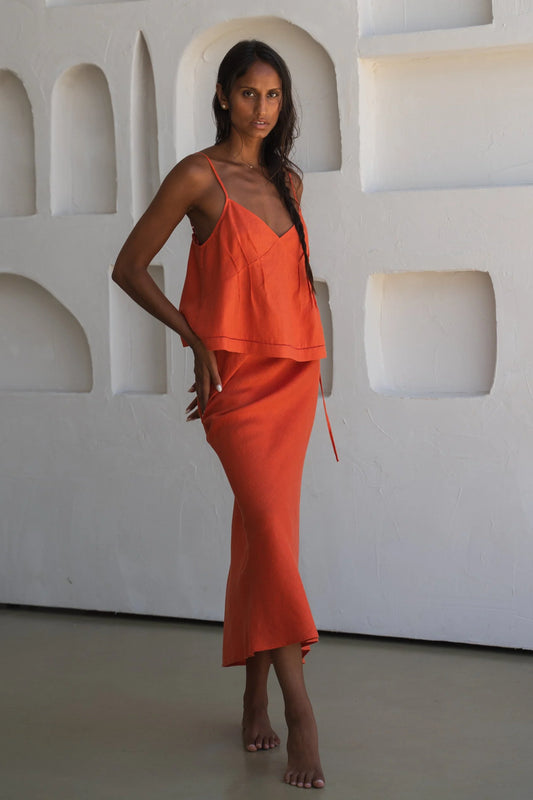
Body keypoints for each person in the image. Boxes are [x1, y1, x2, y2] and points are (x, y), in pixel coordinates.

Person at [113, 39, 329, 790]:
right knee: (270, 536)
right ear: (222, 97)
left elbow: (287, 290)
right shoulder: (197, 177)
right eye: (247, 94)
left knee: (262, 537)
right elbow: (128, 266)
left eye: (273, 95)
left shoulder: (288, 182)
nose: (260, 109)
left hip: (293, 380)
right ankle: (301, 712)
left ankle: (253, 696)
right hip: (236, 387)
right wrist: (194, 338)